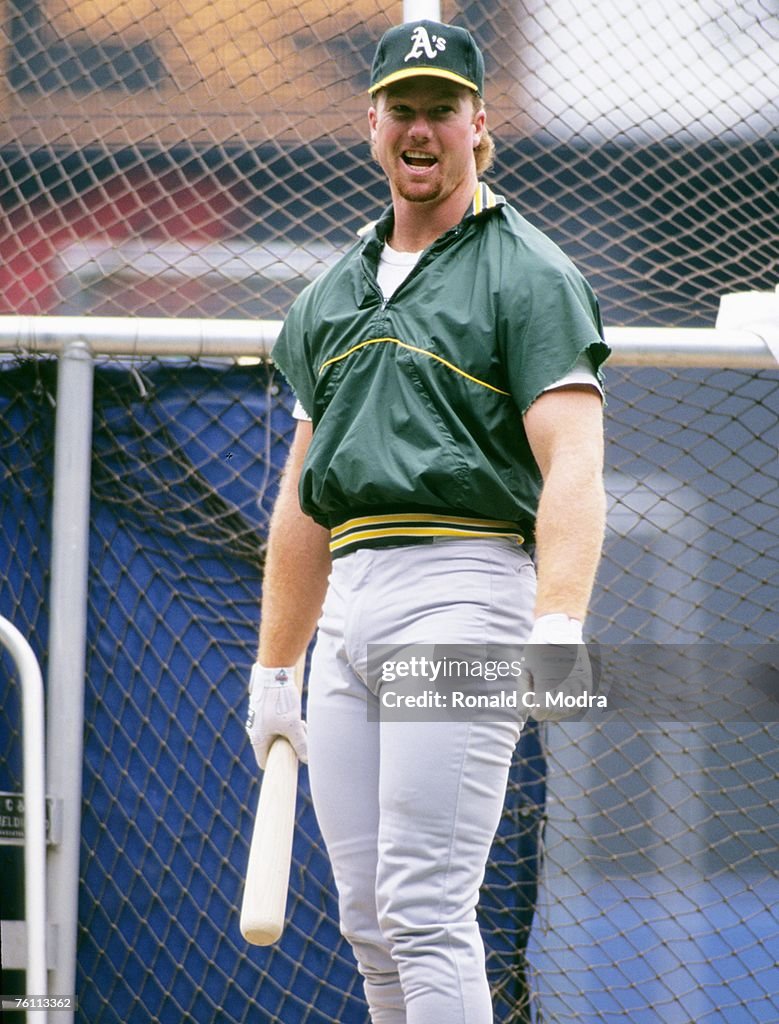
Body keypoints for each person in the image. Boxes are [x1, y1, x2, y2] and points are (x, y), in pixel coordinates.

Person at [246, 19, 610, 1024]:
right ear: (369, 122)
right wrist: (275, 667)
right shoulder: (328, 293)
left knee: (422, 910)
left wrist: (556, 621)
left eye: (439, 109)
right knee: (367, 920)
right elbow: (304, 496)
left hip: (464, 589)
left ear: (477, 122)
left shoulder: (527, 270)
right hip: (348, 614)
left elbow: (572, 460)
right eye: (400, 109)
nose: (419, 129)